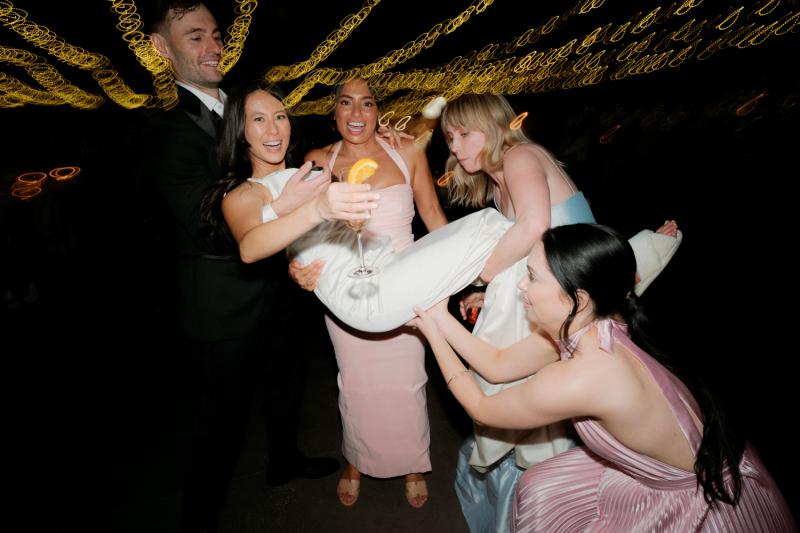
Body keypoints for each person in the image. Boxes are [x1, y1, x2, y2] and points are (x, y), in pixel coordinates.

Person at [409, 223, 796, 533]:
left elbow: (483, 408)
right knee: (539, 485)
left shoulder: (582, 375)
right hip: (672, 465)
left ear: (577, 297)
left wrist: (431, 338)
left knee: (543, 493)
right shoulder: (594, 322)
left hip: (707, 502)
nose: (522, 286)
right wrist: (440, 317)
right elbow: (496, 363)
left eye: (532, 276)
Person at [145, 3, 361, 530]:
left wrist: (294, 254)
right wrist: (279, 214)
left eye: (215, 35)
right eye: (194, 37)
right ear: (161, 47)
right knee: (219, 426)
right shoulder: (170, 132)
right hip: (222, 303)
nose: (213, 46)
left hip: (277, 287)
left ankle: (284, 462)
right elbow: (207, 225)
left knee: (287, 384)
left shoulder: (248, 105)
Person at [300, 78, 448, 507]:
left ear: (378, 110)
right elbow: (302, 229)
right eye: (346, 103)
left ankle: (413, 460)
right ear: (334, 112)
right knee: (356, 383)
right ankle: (356, 458)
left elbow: (434, 216)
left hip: (406, 285)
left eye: (367, 103)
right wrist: (298, 267)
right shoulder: (317, 161)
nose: (357, 112)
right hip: (348, 288)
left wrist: (462, 276)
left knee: (407, 381)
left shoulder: (407, 152)